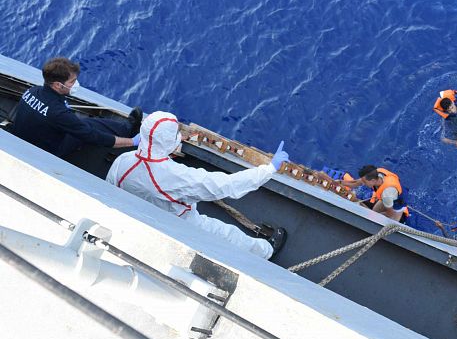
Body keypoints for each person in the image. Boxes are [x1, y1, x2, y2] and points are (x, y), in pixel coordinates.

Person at [106, 111, 288, 260]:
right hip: (180, 223)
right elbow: (227, 185)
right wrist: (269, 169)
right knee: (228, 235)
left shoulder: (123, 162)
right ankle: (266, 251)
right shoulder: (176, 176)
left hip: (141, 217)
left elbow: (110, 191)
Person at [10, 57, 141, 157]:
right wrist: (132, 142)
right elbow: (92, 135)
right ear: (57, 85)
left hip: (23, 139)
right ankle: (128, 130)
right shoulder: (59, 113)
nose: (76, 84)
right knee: (88, 126)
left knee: (76, 125)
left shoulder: (32, 91)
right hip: (48, 151)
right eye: (72, 81)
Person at [341, 165, 409, 222]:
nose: (363, 183)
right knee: (373, 212)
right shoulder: (376, 173)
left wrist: (376, 217)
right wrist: (340, 182)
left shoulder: (386, 195)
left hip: (398, 202)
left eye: (365, 182)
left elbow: (389, 214)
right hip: (389, 195)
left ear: (373, 180)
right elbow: (356, 182)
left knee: (387, 221)